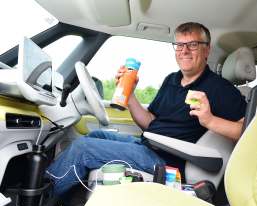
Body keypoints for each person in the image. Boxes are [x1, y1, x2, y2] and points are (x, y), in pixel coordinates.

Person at [46, 22, 246, 195]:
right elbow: (149, 122)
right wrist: (130, 94)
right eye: (179, 44)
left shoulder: (221, 89)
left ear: (206, 50)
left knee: (83, 149)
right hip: (149, 145)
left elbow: (246, 131)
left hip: (169, 160)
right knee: (96, 135)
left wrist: (209, 120)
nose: (184, 51)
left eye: (192, 45)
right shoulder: (172, 79)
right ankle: (70, 193)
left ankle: (45, 197)